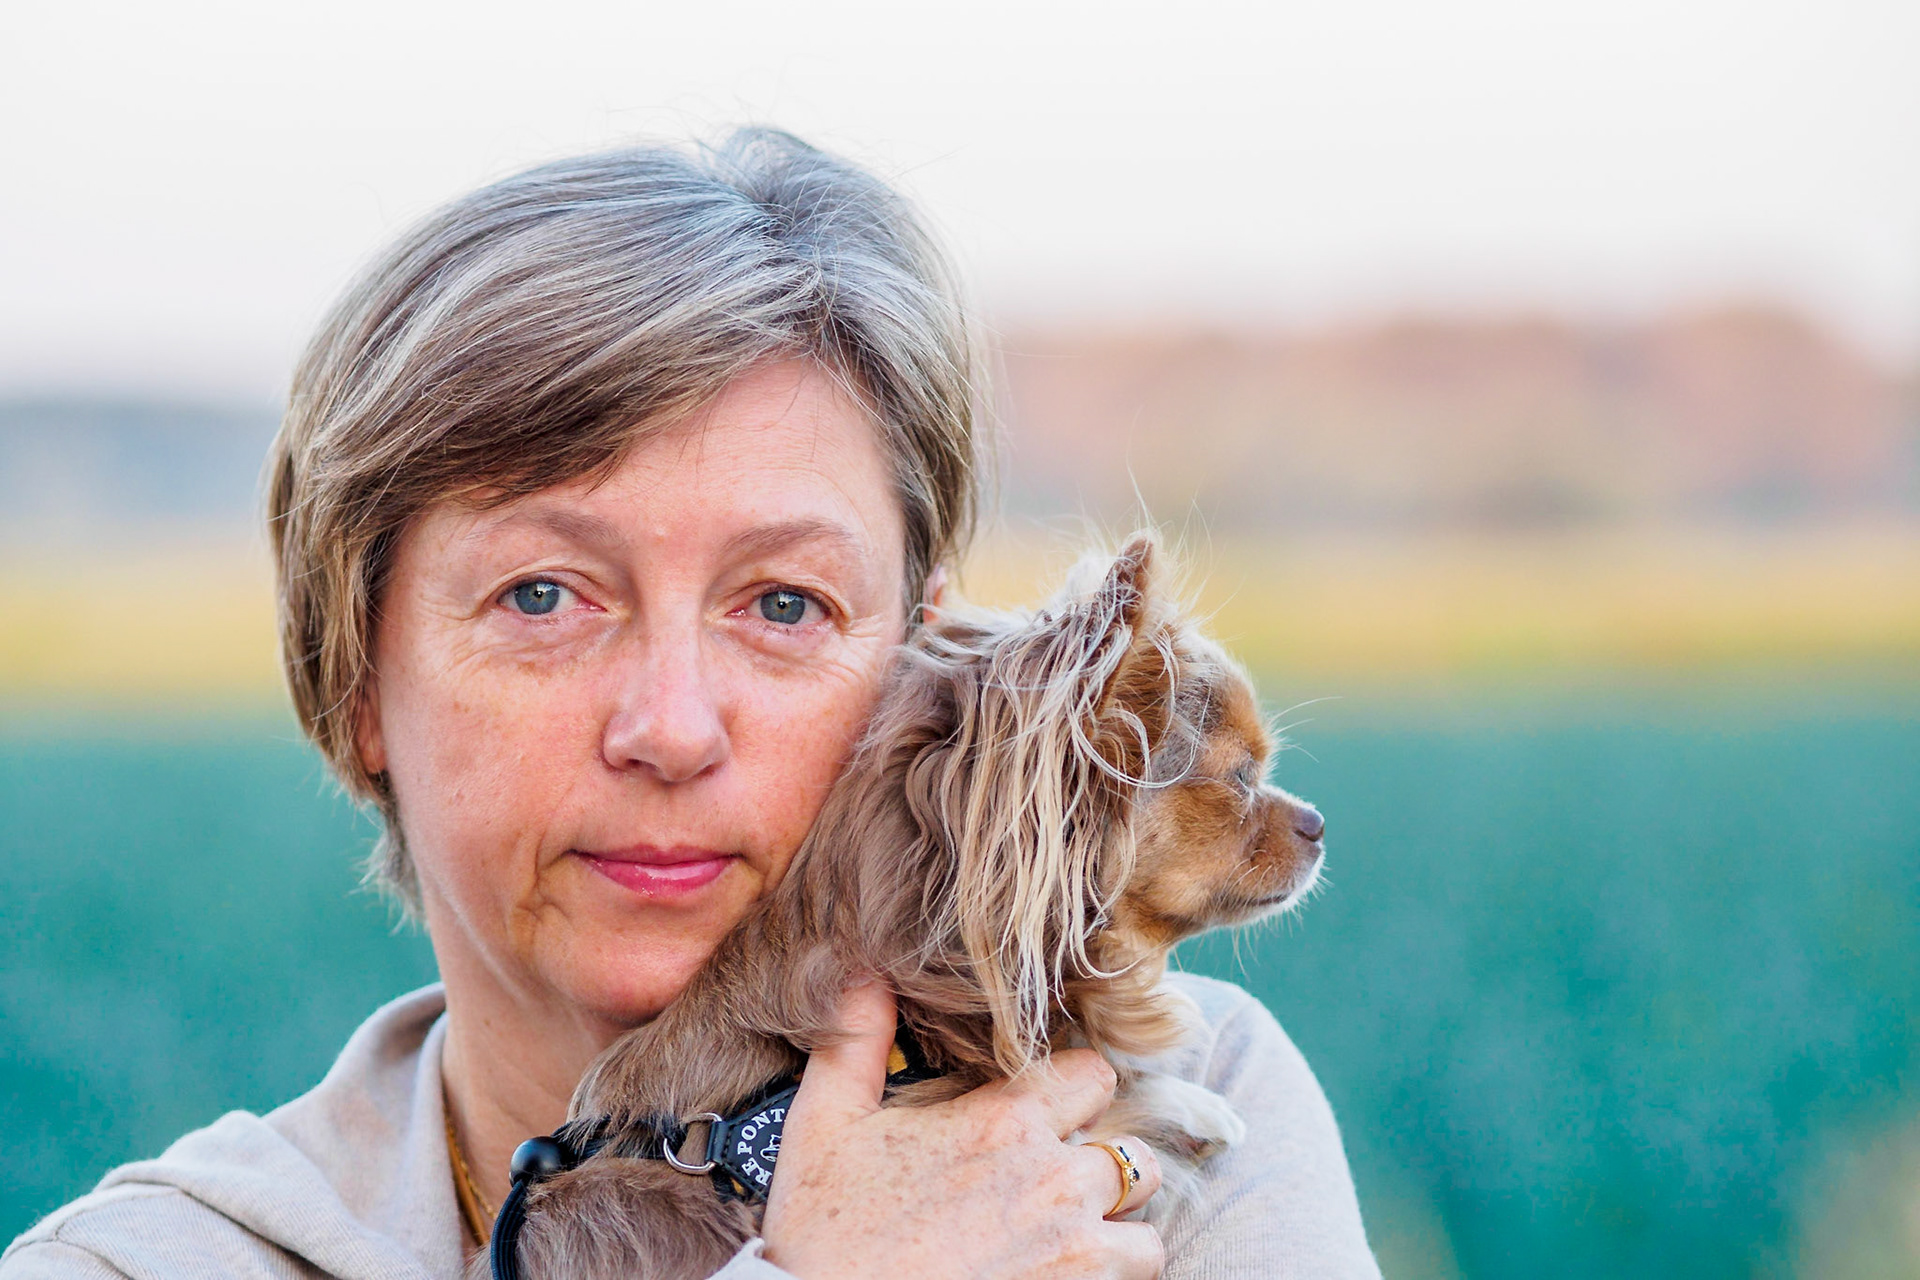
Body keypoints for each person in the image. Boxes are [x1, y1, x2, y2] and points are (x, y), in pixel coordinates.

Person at [2, 129, 1380, 1280]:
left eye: (784, 606)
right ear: (358, 680)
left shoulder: (1180, 1120)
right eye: (543, 596)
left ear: (932, 667)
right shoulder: (147, 1265)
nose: (669, 725)